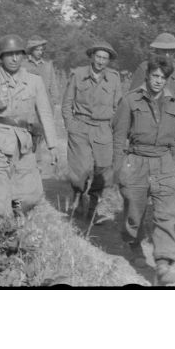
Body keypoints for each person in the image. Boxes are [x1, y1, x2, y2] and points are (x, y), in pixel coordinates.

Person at [0, 34, 59, 218]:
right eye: (10, 55)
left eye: (18, 54)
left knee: (32, 195)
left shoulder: (34, 80)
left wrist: (53, 145)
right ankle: (2, 233)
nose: (15, 59)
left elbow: (45, 113)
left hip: (24, 144)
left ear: (24, 55)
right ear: (1, 57)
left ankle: (14, 211)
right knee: (0, 198)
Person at [113, 55, 175, 285]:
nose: (158, 81)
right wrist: (117, 170)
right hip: (136, 161)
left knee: (166, 215)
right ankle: (133, 243)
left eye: (163, 77)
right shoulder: (130, 101)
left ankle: (163, 265)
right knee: (135, 213)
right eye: (155, 76)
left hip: (165, 162)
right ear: (147, 75)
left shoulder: (174, 102)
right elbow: (118, 139)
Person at [61, 40, 122, 223]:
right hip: (80, 126)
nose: (101, 61)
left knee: (102, 170)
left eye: (105, 58)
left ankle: (93, 205)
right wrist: (71, 125)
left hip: (103, 128)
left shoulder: (114, 78)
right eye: (98, 57)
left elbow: (119, 107)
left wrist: (114, 129)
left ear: (108, 61)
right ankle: (78, 198)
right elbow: (66, 104)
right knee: (81, 169)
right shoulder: (78, 75)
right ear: (92, 57)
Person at [129, 33, 175, 104]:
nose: (167, 54)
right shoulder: (145, 67)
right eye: (163, 50)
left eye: (171, 51)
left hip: (172, 111)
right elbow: (133, 94)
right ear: (156, 50)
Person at [21, 35, 59, 108]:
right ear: (31, 50)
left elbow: (53, 85)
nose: (40, 52)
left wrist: (55, 102)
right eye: (37, 50)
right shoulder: (23, 65)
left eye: (41, 50)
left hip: (46, 103)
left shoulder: (48, 65)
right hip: (28, 104)